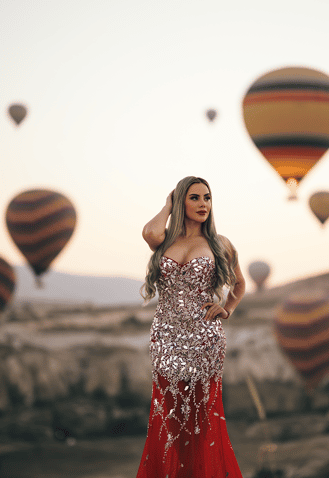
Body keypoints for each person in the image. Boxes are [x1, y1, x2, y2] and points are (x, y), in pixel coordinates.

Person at [136, 177, 246, 478]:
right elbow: (150, 232)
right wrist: (168, 204)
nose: (203, 205)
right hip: (165, 339)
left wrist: (228, 308)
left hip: (204, 339)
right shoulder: (165, 241)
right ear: (182, 201)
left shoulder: (219, 243)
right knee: (169, 417)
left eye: (207, 198)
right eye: (195, 198)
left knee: (201, 420)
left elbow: (239, 283)